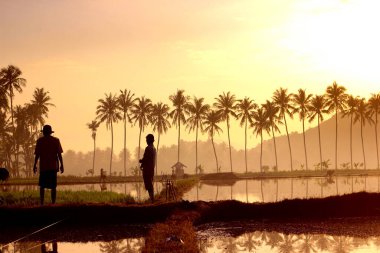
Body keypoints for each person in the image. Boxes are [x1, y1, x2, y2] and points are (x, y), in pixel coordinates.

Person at [33, 125, 64, 205]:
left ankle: (42, 203)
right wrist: (61, 165)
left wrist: (35, 165)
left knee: (42, 186)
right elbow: (59, 155)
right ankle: (53, 203)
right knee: (53, 186)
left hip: (44, 167)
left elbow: (37, 155)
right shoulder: (56, 140)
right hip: (53, 167)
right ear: (50, 132)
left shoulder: (40, 141)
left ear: (43, 132)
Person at [139, 134, 156, 202]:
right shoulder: (154, 148)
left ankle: (152, 199)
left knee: (148, 184)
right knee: (150, 183)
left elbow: (146, 158)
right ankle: (152, 198)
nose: (146, 141)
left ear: (149, 140)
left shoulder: (148, 148)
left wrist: (141, 161)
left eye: (146, 139)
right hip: (151, 168)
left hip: (147, 169)